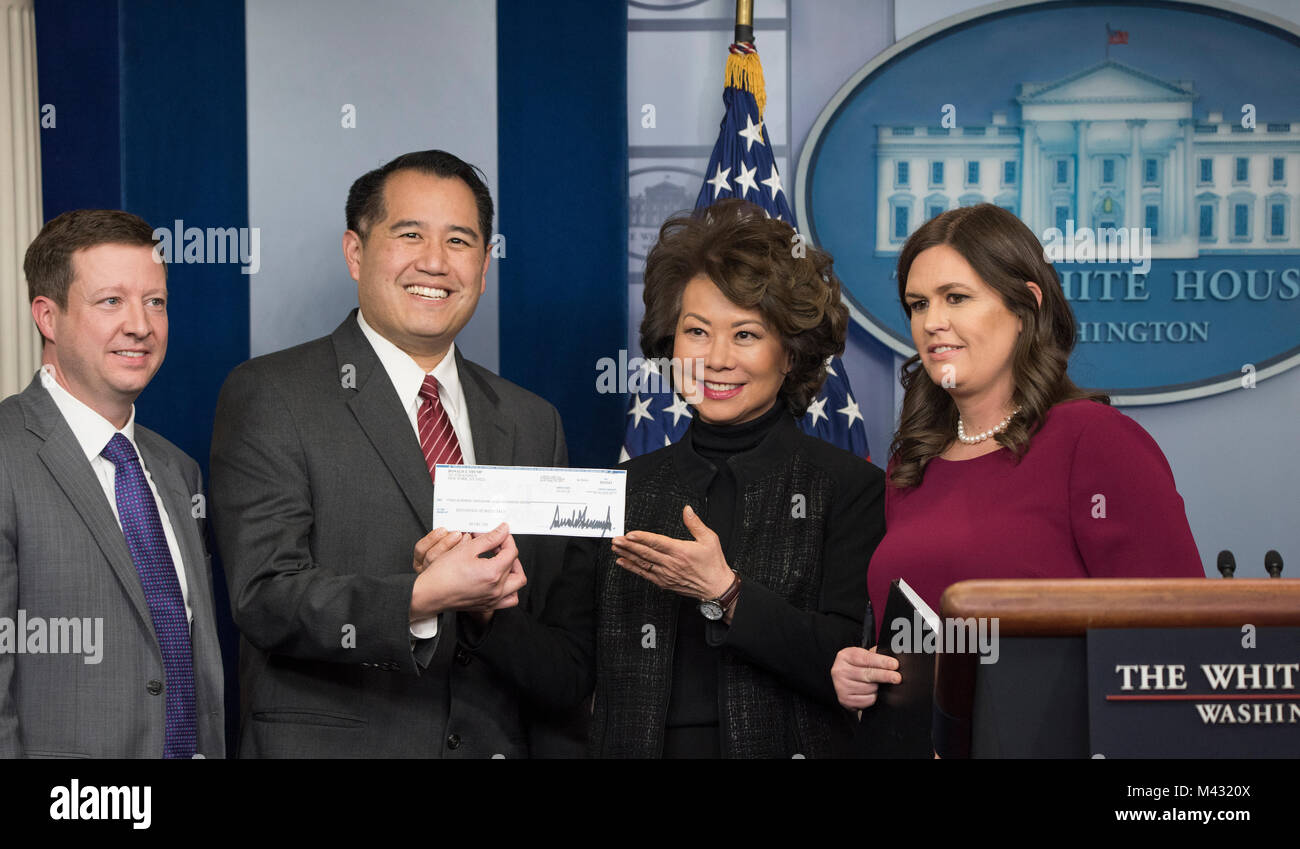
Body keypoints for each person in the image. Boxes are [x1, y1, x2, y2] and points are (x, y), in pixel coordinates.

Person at [462, 198, 886, 757]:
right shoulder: (620, 490)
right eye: (697, 331)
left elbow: (846, 666)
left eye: (746, 335)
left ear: (790, 354)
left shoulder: (849, 487)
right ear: (670, 344)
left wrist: (727, 593)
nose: (715, 358)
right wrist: (488, 610)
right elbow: (568, 675)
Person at [209, 150, 573, 758]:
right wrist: (421, 596)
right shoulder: (272, 393)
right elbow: (265, 596)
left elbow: (555, 634)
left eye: (460, 241)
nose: (434, 262)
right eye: (410, 235)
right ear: (355, 252)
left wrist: (489, 612)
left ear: (485, 266)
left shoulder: (533, 422)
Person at [831, 203, 1203, 721]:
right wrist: (863, 673)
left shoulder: (1095, 440)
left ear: (1026, 304)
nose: (932, 323)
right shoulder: (911, 465)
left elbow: (1176, 647)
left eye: (956, 298)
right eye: (918, 304)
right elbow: (917, 647)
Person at [0, 209, 224, 758]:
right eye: (111, 301)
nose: (141, 325)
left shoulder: (178, 471)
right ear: (48, 317)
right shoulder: (6, 455)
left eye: (155, 301)